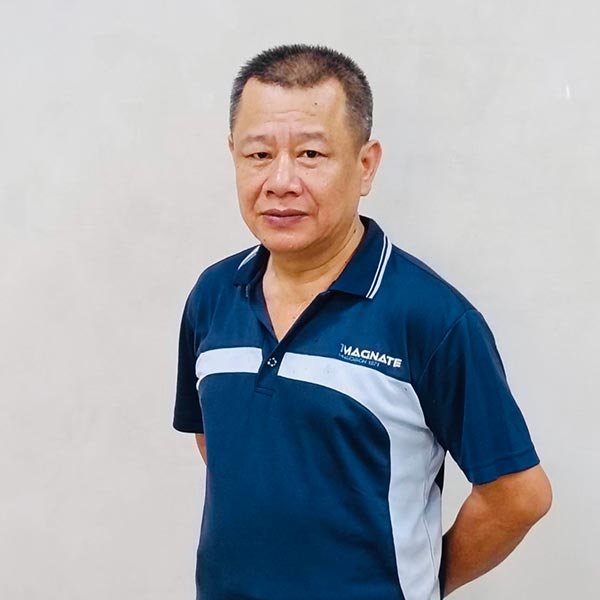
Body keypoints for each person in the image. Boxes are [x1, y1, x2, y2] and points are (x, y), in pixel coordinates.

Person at [173, 44, 552, 600]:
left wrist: (418, 583)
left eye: (310, 154)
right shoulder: (213, 295)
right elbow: (221, 444)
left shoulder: (432, 319)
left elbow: (519, 496)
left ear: (366, 164)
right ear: (234, 155)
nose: (280, 180)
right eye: (259, 154)